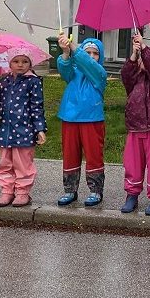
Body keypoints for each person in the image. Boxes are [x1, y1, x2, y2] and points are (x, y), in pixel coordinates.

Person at [0, 49, 47, 207]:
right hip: (5, 131)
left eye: (25, 61)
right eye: (16, 61)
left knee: (23, 164)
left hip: (24, 131)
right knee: (4, 162)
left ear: (30, 64)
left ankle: (22, 192)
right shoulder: (3, 81)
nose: (20, 65)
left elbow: (37, 107)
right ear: (9, 63)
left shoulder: (33, 82)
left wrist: (40, 129)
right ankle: (6, 191)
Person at [120, 33, 150, 216]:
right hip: (135, 126)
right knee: (132, 163)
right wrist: (134, 55)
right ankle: (132, 195)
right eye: (141, 60)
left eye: (144, 59)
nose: (142, 62)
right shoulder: (132, 81)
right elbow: (126, 74)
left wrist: (145, 48)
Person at [56, 35, 107, 208]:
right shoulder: (74, 70)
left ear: (101, 57)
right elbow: (64, 70)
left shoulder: (99, 73)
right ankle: (70, 189)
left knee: (94, 154)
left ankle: (95, 190)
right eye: (88, 52)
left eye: (95, 53)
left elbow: (89, 65)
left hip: (92, 118)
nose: (92, 56)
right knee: (70, 153)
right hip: (69, 117)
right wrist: (65, 53)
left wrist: (75, 49)